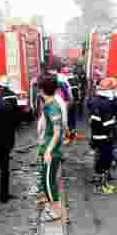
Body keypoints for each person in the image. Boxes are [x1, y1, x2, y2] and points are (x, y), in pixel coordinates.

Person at [36, 76, 65, 221]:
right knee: (46, 179)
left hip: (51, 151)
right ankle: (51, 207)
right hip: (48, 148)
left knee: (48, 182)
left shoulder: (53, 107)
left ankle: (56, 211)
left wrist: (48, 151)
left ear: (41, 90)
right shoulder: (49, 104)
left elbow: (57, 132)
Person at [88, 77, 117, 194]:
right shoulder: (107, 104)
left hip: (96, 136)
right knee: (105, 161)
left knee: (99, 160)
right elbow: (108, 123)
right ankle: (102, 186)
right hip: (105, 137)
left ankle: (99, 182)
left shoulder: (94, 100)